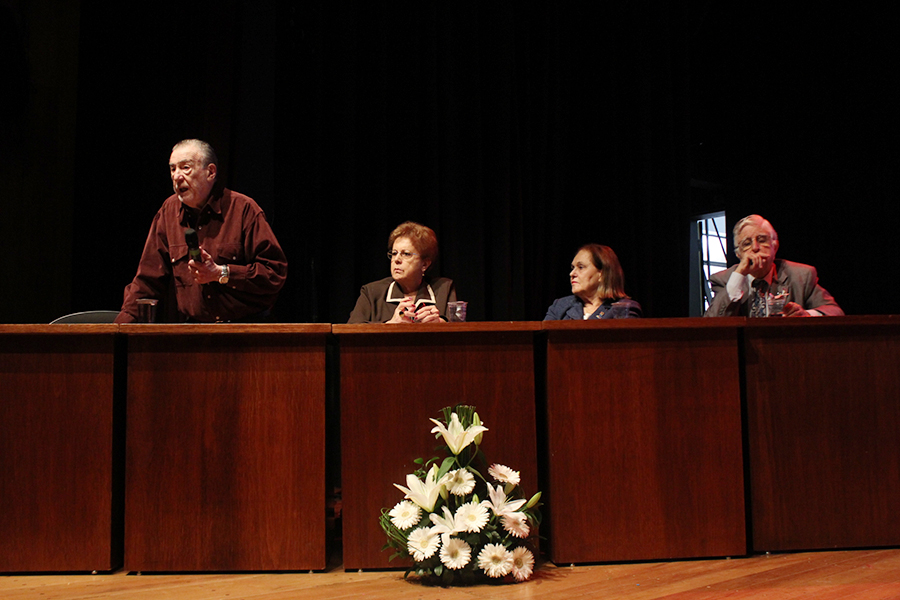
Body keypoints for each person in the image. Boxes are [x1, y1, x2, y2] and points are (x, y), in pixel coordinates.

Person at [115, 139, 287, 323]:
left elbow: (274, 273)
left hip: (246, 332)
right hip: (196, 334)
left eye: (185, 168)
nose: (177, 176)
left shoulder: (243, 209)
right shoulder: (167, 213)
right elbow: (147, 281)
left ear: (210, 172)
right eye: (173, 169)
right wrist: (117, 333)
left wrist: (222, 273)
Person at [704, 214, 843, 317]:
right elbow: (712, 323)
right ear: (739, 254)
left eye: (762, 240)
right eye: (747, 244)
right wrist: (739, 274)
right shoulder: (723, 280)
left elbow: (835, 311)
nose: (756, 248)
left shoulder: (801, 275)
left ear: (774, 247)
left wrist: (806, 315)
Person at [348, 221, 456, 323]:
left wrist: (440, 323)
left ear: (424, 264)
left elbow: (459, 328)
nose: (396, 260)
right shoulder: (372, 292)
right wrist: (390, 325)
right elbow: (350, 333)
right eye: (394, 253)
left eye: (406, 254)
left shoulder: (444, 289)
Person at [544, 244, 642, 320]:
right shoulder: (560, 306)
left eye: (581, 267)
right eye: (573, 268)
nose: (572, 273)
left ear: (602, 274)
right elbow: (542, 341)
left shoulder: (624, 309)